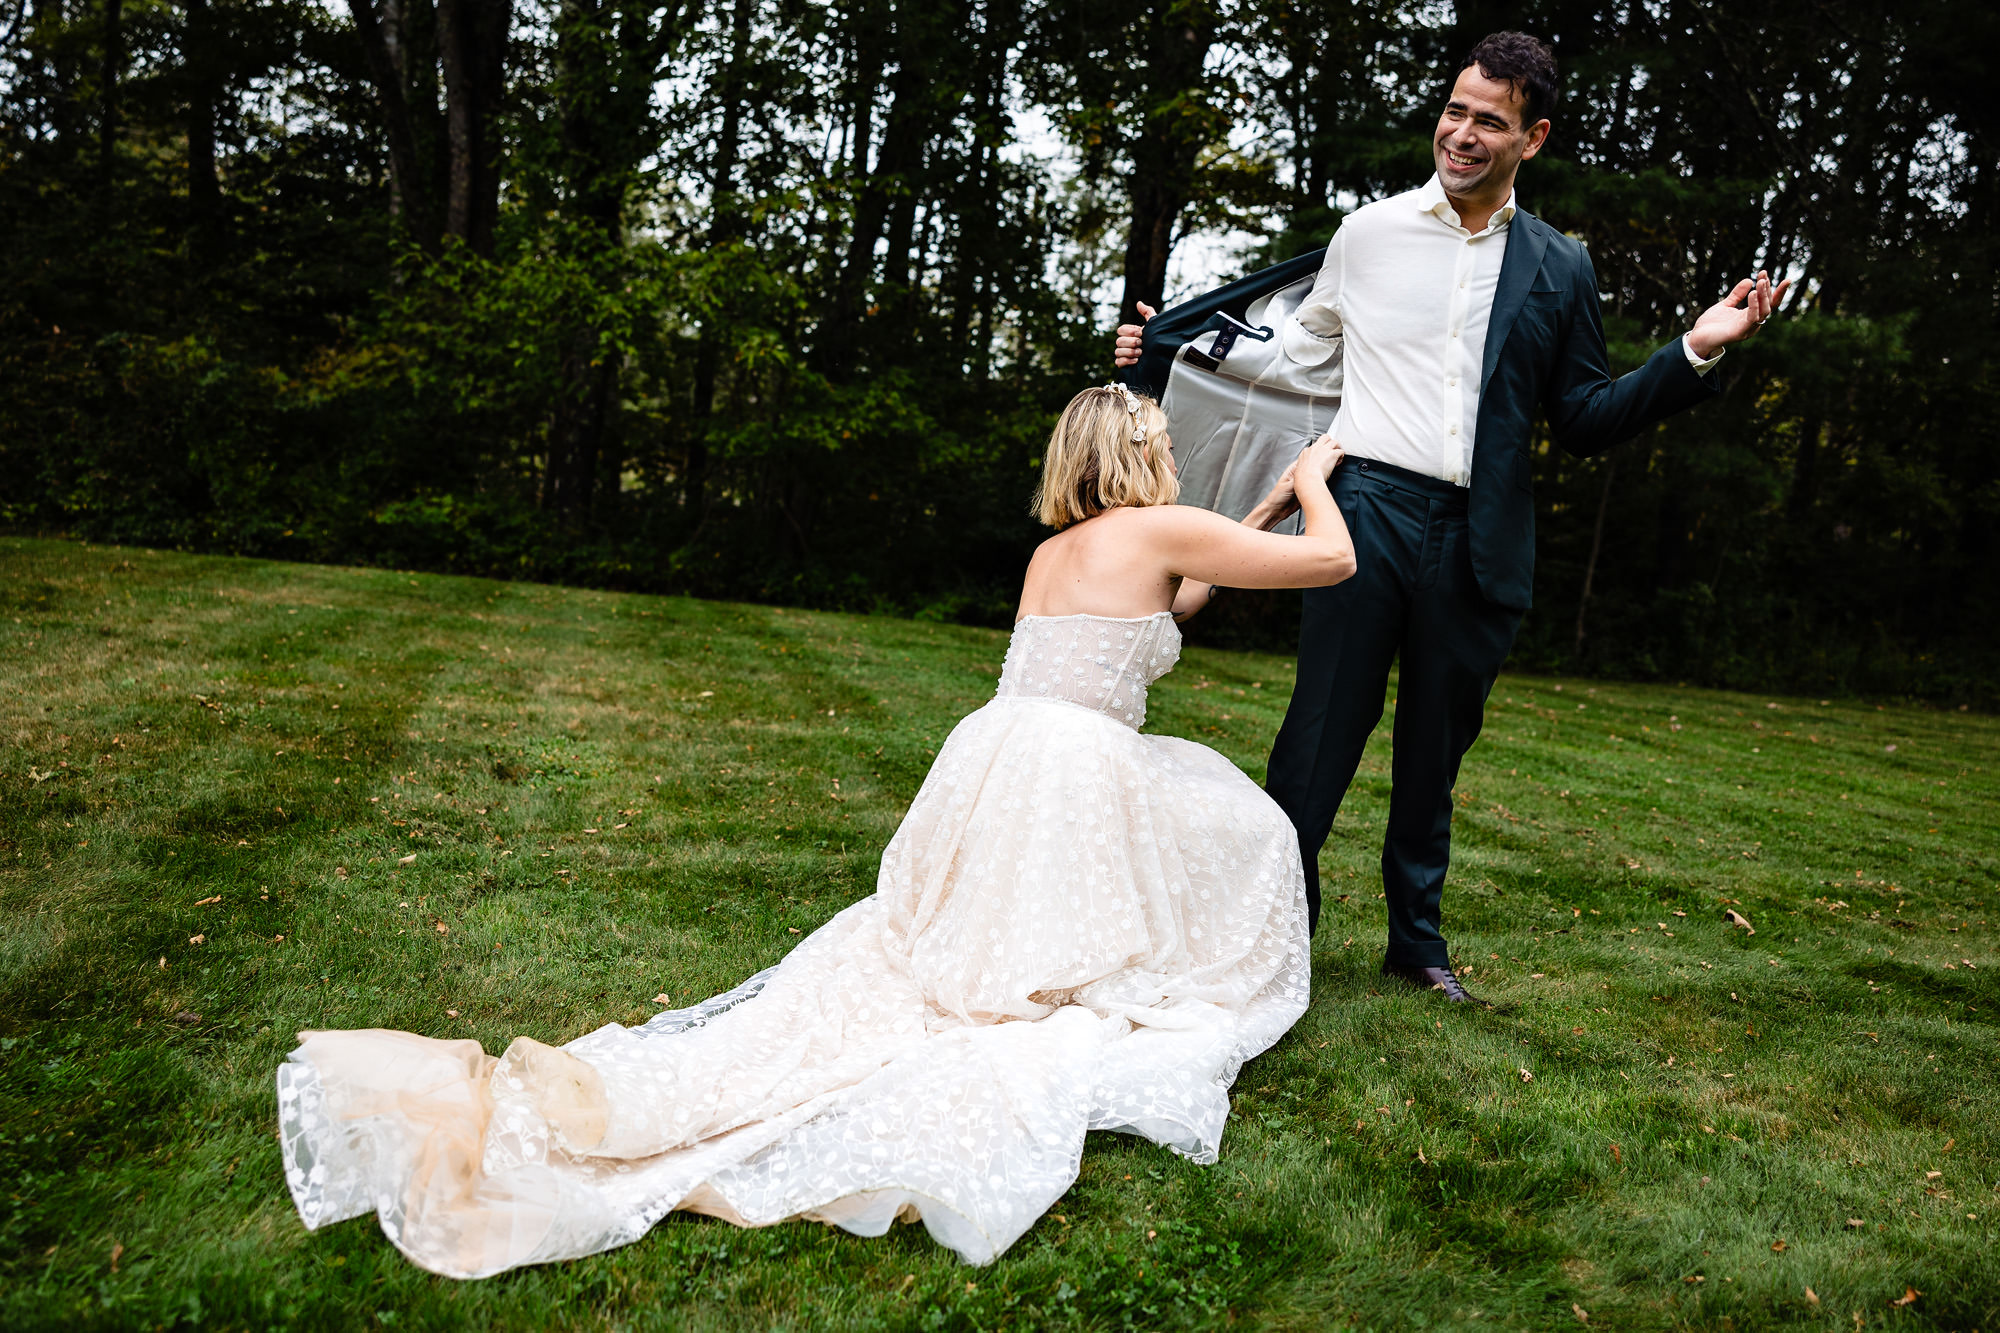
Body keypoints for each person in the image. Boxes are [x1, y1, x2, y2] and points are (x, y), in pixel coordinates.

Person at [275, 385, 1355, 1277]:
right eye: (1163, 441)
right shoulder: (1160, 527)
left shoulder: (1061, 550)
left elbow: (1176, 602)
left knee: (981, 930)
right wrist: (1311, 484)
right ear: (1133, 452)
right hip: (1073, 764)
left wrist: (1250, 515)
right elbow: (1332, 565)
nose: (1173, 454)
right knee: (1247, 826)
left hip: (996, 753)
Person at [1114, 32, 1788, 1003]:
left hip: (1480, 538)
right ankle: (1272, 931)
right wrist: (1162, 350)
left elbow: (1585, 418)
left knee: (1433, 754)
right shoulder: (1369, 235)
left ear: (1532, 137)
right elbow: (1284, 359)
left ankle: (1414, 946)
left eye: (1489, 121)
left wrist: (1690, 351)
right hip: (1364, 513)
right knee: (1316, 735)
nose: (1461, 134)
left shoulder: (1558, 269)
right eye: (1455, 110)